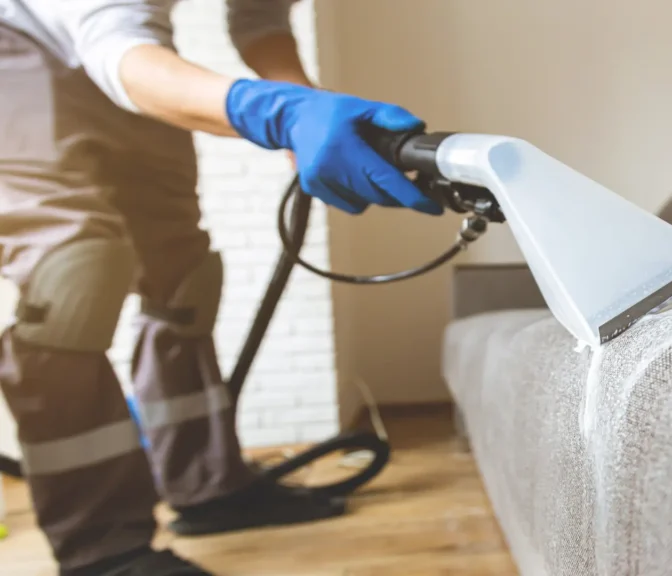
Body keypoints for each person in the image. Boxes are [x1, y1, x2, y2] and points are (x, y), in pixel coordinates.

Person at [0, 1, 442, 574]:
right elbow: (117, 51)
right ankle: (104, 548)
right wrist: (280, 113)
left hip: (115, 48)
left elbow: (259, 18)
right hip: (19, 44)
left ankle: (208, 486)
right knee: (75, 276)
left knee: (184, 278)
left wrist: (309, 104)